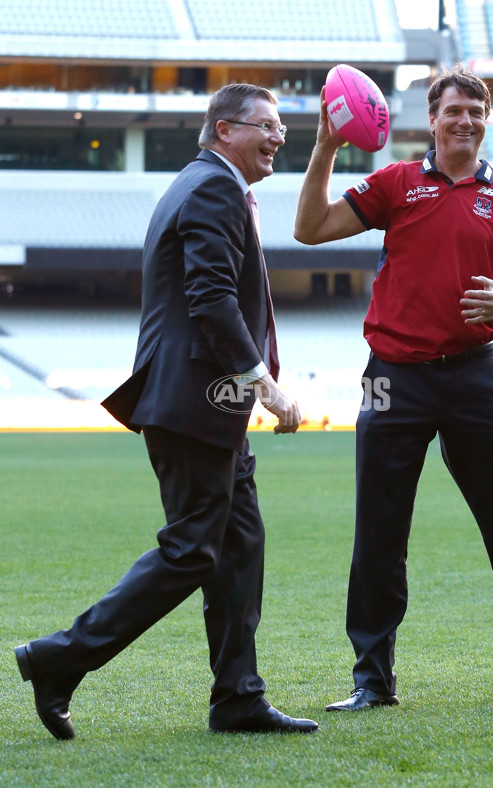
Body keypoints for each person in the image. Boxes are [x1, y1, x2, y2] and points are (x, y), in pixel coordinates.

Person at [15, 83, 318, 738]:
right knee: (193, 550)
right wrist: (264, 386)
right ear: (224, 129)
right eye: (266, 125)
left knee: (239, 546)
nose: (277, 138)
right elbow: (211, 300)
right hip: (194, 402)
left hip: (204, 404)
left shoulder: (205, 183)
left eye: (283, 130)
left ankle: (238, 697)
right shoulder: (212, 188)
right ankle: (59, 657)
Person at [294, 64, 493, 710]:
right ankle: (372, 679)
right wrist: (325, 146)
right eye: (454, 111)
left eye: (476, 112)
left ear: (485, 121)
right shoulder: (396, 183)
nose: (466, 122)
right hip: (390, 377)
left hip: (476, 377)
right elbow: (309, 229)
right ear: (432, 119)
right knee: (379, 531)